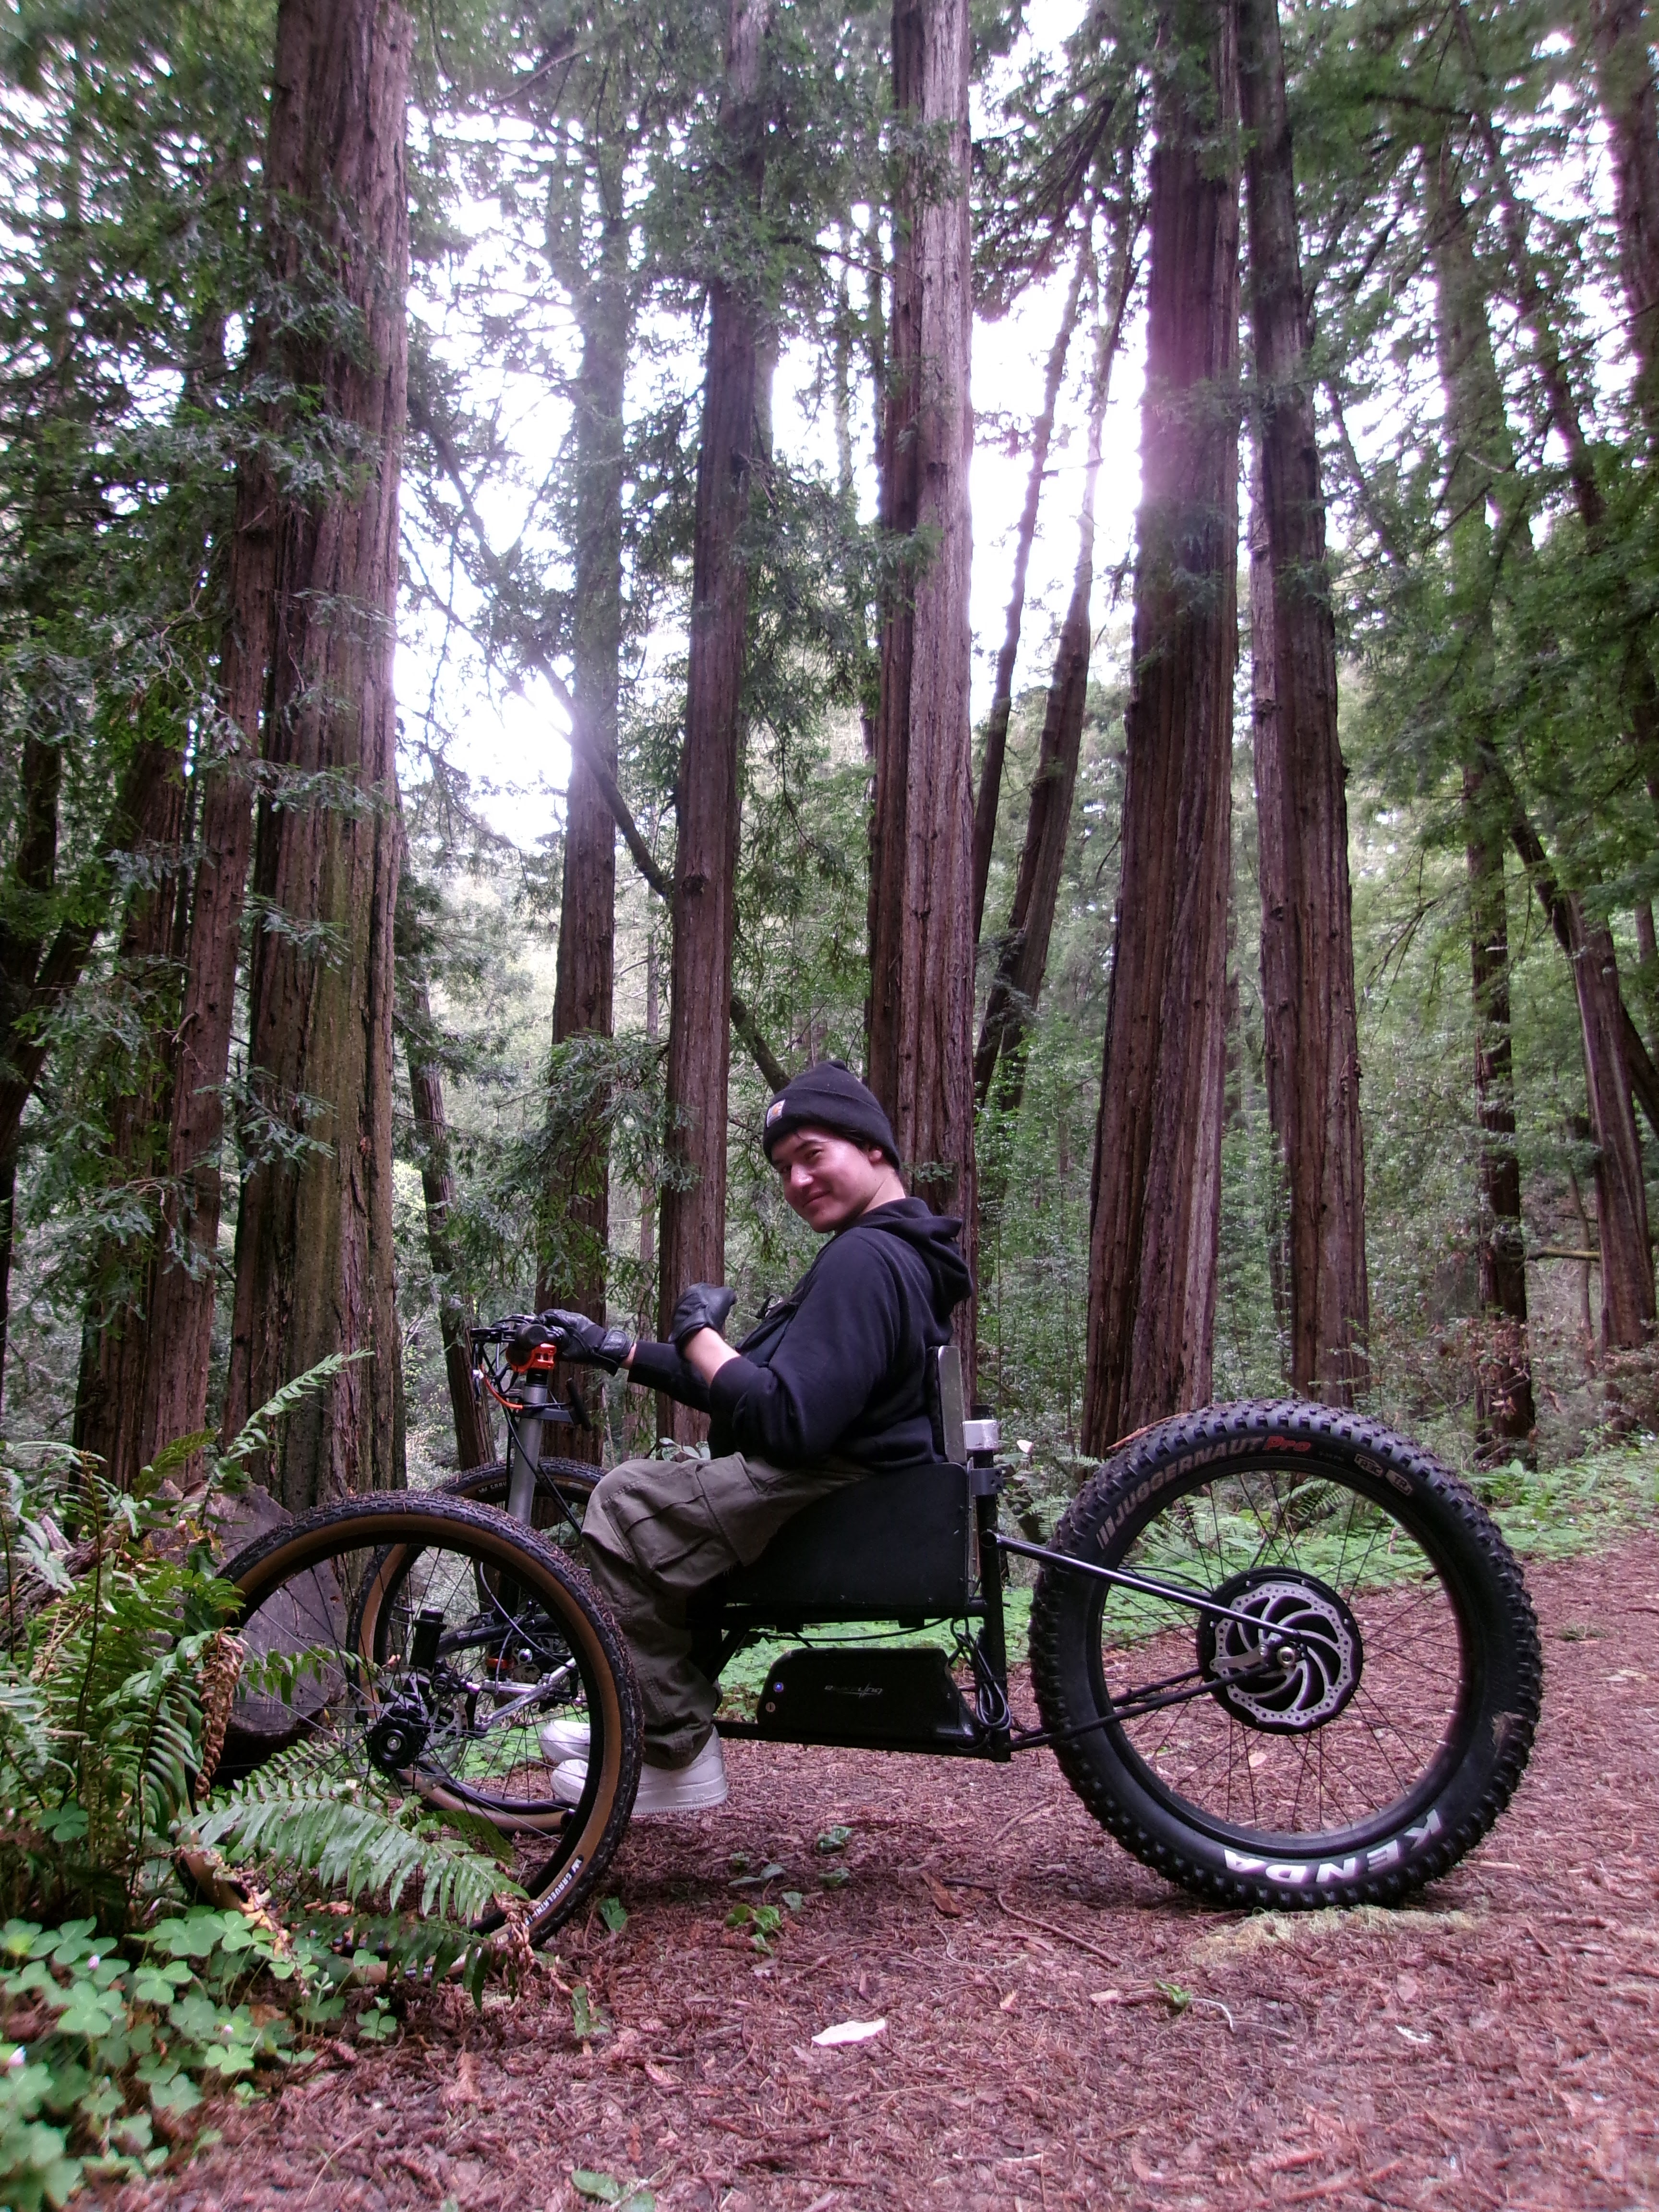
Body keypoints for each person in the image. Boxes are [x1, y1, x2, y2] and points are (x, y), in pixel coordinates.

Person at [540, 1060, 972, 1816]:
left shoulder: (867, 1258)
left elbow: (785, 1418)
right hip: (860, 1480)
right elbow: (754, 1377)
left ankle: (675, 1748)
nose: (798, 1181)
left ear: (873, 1148)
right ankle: (644, 1719)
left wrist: (699, 1331)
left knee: (627, 1503)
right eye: (783, 1168)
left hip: (832, 1488)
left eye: (813, 1155)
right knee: (659, 1503)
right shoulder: (889, 1251)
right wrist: (613, 1349)